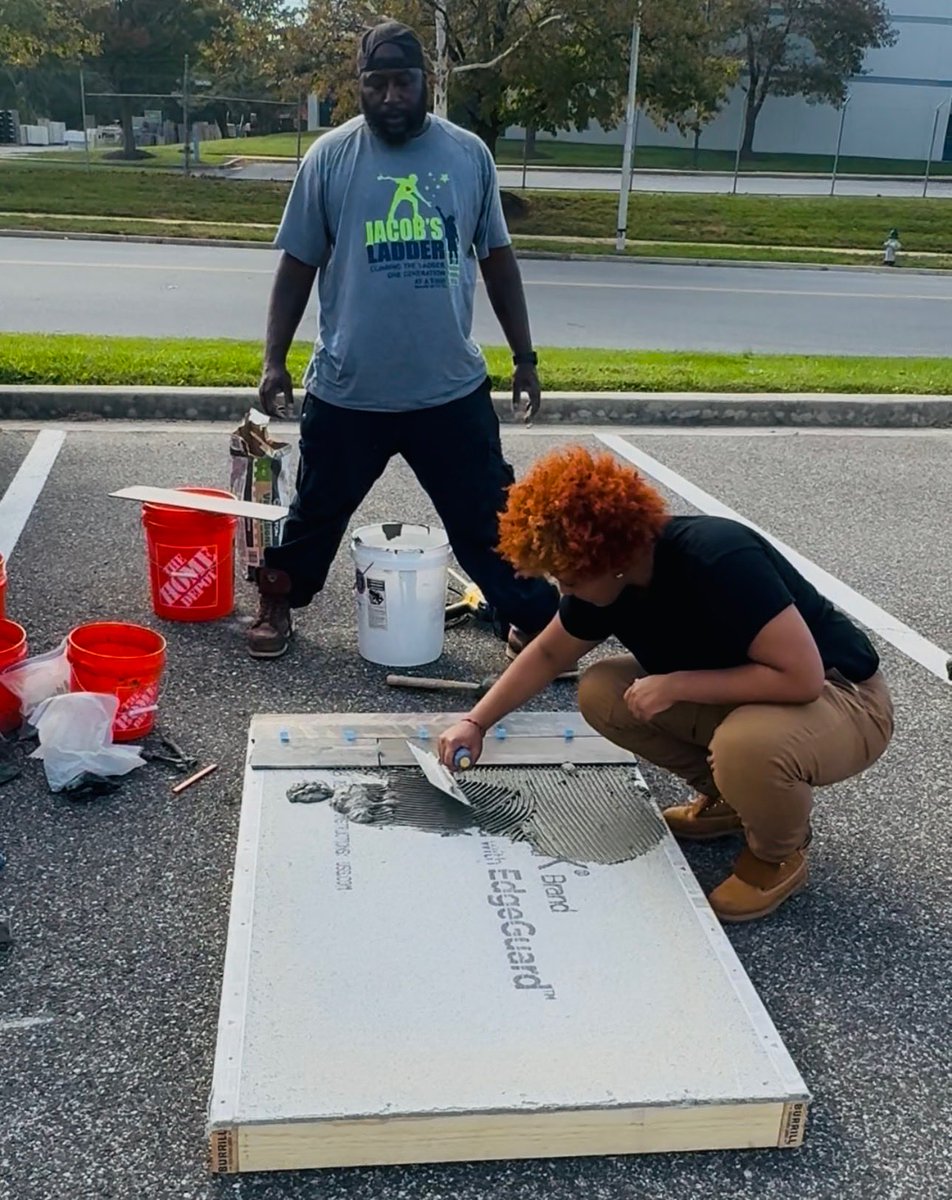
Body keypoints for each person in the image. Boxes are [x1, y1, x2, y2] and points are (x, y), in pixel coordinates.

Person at [438, 446, 894, 923]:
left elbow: (802, 678)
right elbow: (549, 653)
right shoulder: (607, 580)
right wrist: (476, 722)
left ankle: (778, 853)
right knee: (603, 690)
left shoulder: (718, 558)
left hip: (844, 697)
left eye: (567, 577)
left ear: (608, 555)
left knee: (747, 747)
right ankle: (736, 801)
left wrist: (676, 684)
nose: (563, 589)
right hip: (761, 692)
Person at [248, 19, 558, 658]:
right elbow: (296, 265)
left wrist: (524, 358)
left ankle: (531, 618)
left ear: (428, 83)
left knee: (488, 519)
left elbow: (498, 261)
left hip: (448, 390)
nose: (391, 95)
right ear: (359, 86)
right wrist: (273, 360)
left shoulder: (468, 154)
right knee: (314, 515)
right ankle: (278, 601)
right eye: (377, 83)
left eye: (403, 82)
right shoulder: (330, 158)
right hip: (349, 389)